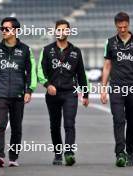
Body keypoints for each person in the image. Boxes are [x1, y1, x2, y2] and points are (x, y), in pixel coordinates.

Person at [0, 17, 37, 167]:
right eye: (2, 28)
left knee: (16, 127)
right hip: (0, 94)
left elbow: (31, 72)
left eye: (6, 28)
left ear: (15, 31)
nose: (3, 31)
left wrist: (29, 90)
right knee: (0, 124)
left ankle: (13, 157)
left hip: (18, 95)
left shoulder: (26, 50)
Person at [100, 12, 133, 167]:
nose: (122, 29)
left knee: (132, 120)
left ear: (129, 25)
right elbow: (107, 66)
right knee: (118, 119)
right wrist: (103, 89)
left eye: (125, 26)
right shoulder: (109, 43)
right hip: (116, 87)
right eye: (119, 27)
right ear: (116, 26)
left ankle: (130, 152)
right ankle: (120, 153)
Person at [38, 19, 89, 166]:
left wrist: (85, 94)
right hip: (52, 94)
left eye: (64, 30)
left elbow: (82, 75)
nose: (61, 32)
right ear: (55, 32)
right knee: (54, 125)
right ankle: (58, 154)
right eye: (58, 30)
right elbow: (40, 71)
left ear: (69, 32)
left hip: (70, 93)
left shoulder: (75, 51)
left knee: (69, 123)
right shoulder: (47, 50)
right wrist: (47, 85)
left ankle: (69, 153)